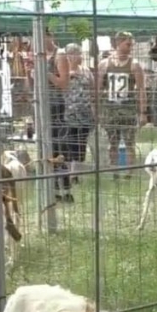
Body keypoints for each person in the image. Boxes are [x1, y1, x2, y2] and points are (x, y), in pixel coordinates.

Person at [96, 31, 146, 181]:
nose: (130, 47)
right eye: (127, 44)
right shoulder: (104, 64)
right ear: (118, 43)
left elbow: (141, 89)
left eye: (131, 44)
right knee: (113, 143)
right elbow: (98, 88)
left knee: (130, 142)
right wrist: (97, 108)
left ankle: (130, 173)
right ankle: (114, 171)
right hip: (110, 110)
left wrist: (143, 112)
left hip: (128, 110)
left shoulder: (135, 65)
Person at [40, 27, 71, 202]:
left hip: (56, 107)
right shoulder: (37, 56)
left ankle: (66, 189)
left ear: (50, 36)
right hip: (41, 107)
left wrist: (46, 74)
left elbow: (64, 83)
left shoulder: (59, 55)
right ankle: (51, 190)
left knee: (59, 149)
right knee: (45, 149)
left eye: (43, 36)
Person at [63, 43, 95, 187]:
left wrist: (94, 111)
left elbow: (93, 90)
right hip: (69, 114)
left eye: (80, 53)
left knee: (81, 144)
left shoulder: (86, 71)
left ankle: (76, 174)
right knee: (70, 144)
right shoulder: (64, 72)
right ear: (69, 56)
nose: (80, 56)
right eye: (77, 54)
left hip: (85, 114)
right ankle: (70, 172)